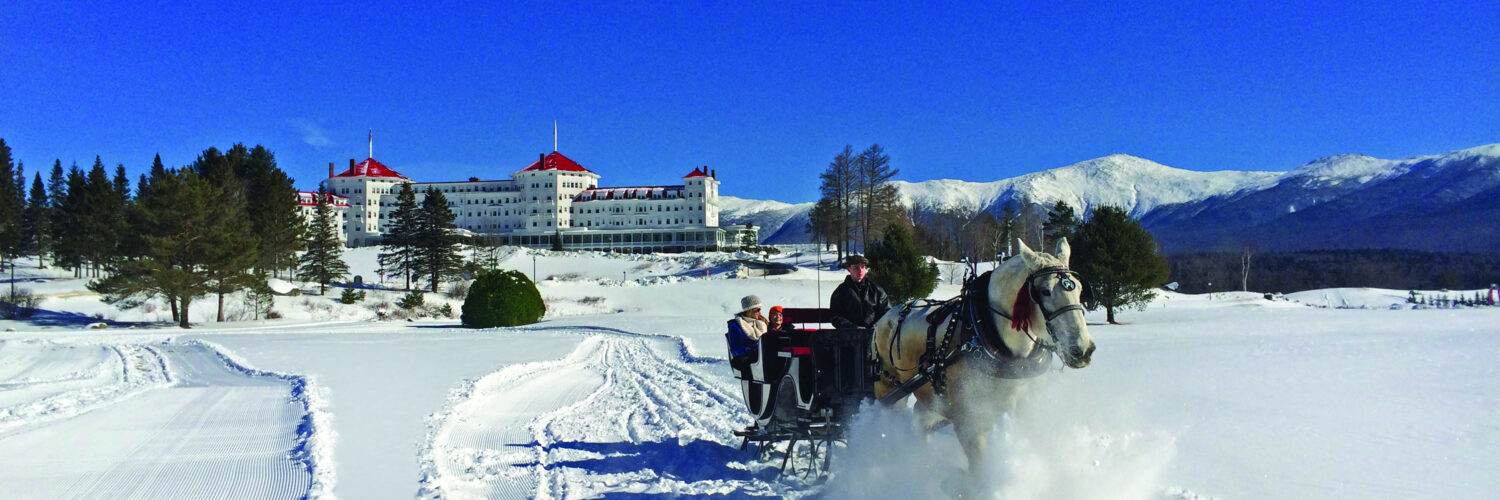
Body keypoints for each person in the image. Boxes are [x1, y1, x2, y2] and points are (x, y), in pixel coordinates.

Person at [830, 254, 890, 329]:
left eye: (862, 267)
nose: (860, 270)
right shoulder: (840, 292)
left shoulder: (876, 290)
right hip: (849, 336)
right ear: (849, 269)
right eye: (856, 267)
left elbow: (887, 312)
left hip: (874, 335)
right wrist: (855, 328)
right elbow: (836, 317)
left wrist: (875, 327)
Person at [726, 295, 769, 370]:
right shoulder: (735, 325)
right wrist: (751, 348)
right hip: (746, 357)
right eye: (757, 310)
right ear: (749, 310)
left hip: (760, 354)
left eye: (760, 309)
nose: (760, 313)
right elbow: (735, 349)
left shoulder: (761, 323)